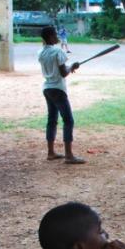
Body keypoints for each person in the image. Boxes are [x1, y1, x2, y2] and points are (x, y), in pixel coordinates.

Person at [39, 26, 83, 164]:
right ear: (51, 37)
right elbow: (63, 73)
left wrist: (70, 67)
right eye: (55, 35)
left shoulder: (41, 52)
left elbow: (59, 69)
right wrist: (72, 67)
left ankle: (51, 152)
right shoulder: (58, 51)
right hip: (58, 89)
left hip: (47, 88)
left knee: (52, 120)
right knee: (68, 120)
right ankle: (69, 155)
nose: (57, 37)